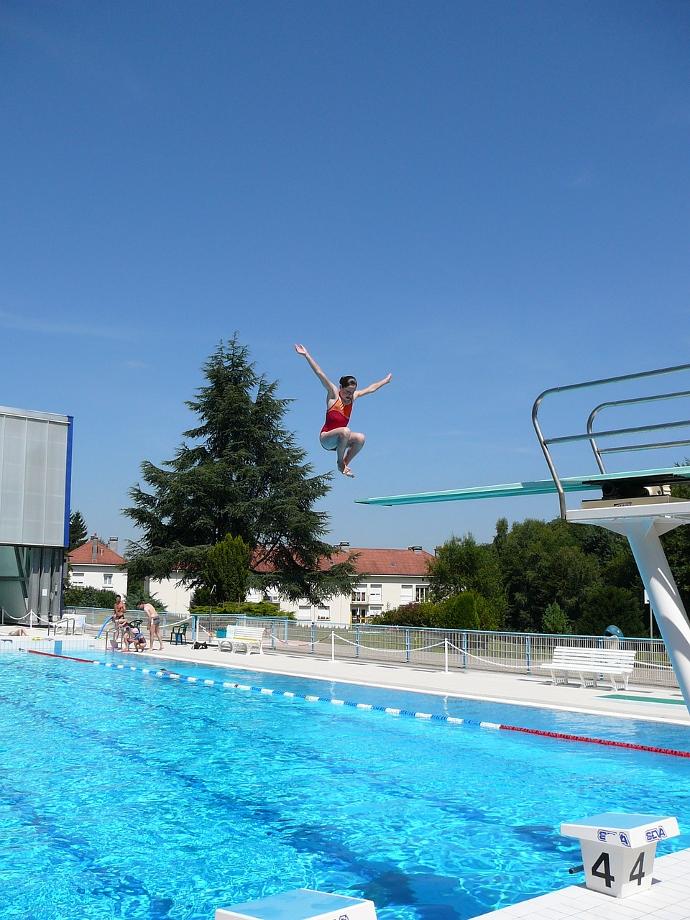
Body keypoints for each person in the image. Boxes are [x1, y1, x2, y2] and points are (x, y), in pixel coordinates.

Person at [294, 344, 392, 477]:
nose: (349, 395)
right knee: (346, 431)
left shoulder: (353, 398)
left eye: (352, 392)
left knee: (360, 438)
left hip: (341, 441)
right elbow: (320, 374)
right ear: (341, 387)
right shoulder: (334, 394)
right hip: (327, 439)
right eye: (347, 392)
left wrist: (385, 381)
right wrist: (306, 355)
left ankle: (344, 464)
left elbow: (371, 388)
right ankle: (340, 462)